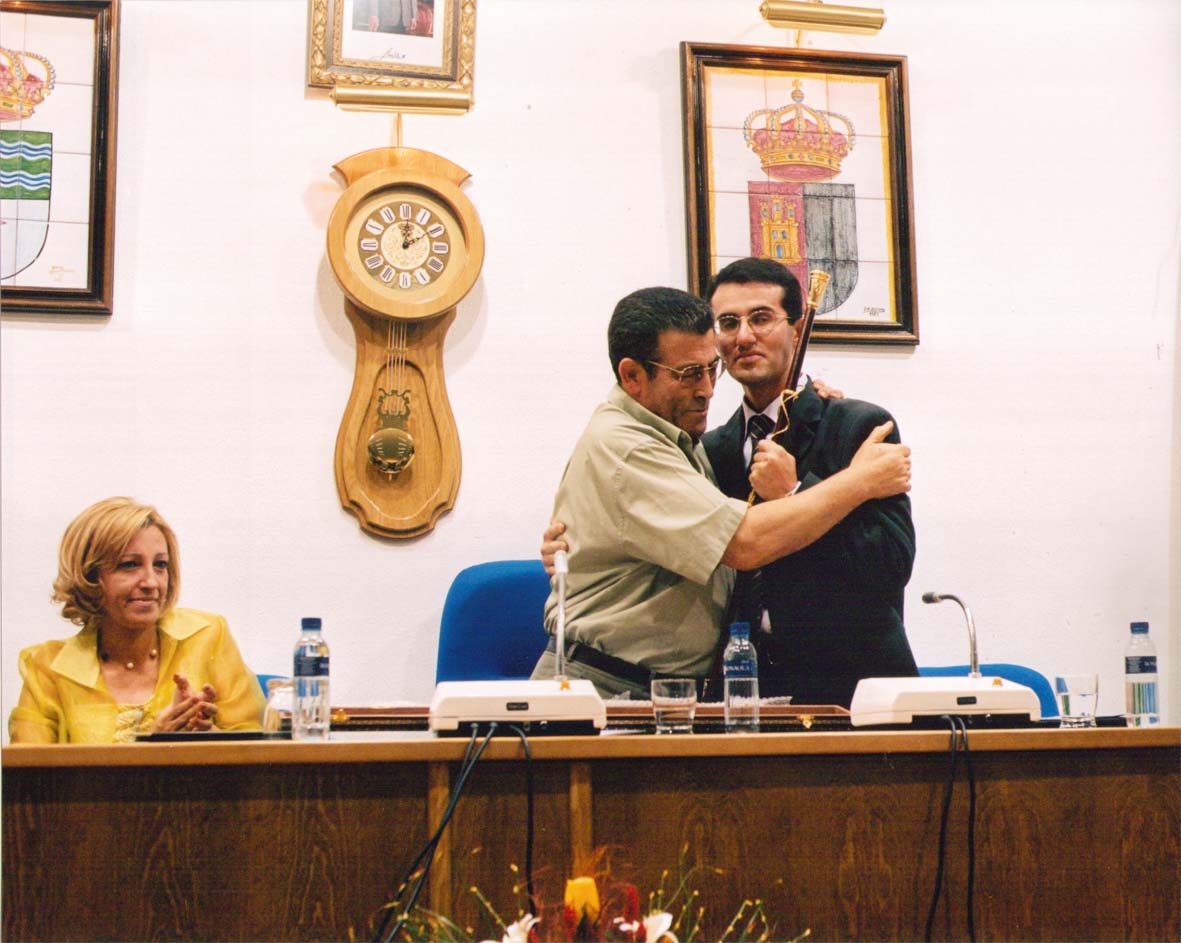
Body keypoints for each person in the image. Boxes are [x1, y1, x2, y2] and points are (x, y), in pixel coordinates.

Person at [529, 286, 911, 699]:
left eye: (711, 369)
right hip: (621, 686)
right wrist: (857, 481)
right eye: (688, 374)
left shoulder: (692, 440)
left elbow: (891, 563)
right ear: (632, 376)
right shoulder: (645, 447)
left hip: (841, 681)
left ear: (797, 330)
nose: (707, 388)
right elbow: (743, 542)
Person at [701, 257, 918, 706]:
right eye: (729, 323)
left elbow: (890, 566)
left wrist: (795, 492)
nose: (744, 336)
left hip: (853, 685)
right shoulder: (712, 449)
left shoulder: (858, 426)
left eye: (761, 318)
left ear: (798, 331)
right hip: (749, 686)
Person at [8, 497, 266, 743]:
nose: (151, 582)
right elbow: (30, 771)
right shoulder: (50, 668)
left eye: (160, 565)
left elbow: (257, 758)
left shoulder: (207, 636)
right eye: (129, 565)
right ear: (89, 575)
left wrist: (210, 737)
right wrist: (151, 748)